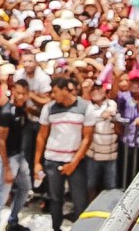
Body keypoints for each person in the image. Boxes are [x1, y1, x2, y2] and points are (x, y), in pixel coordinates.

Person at [34, 76, 95, 231]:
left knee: (79, 199)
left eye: (55, 92)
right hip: (52, 160)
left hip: (75, 161)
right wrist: (37, 162)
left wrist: (73, 163)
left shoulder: (86, 107)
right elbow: (41, 136)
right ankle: (56, 228)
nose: (53, 96)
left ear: (66, 90)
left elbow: (87, 138)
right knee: (55, 199)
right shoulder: (49, 108)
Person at [0, 80, 33, 231]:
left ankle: (13, 220)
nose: (21, 96)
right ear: (13, 91)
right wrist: (6, 167)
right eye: (18, 93)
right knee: (1, 195)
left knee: (25, 187)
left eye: (24, 94)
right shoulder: (7, 113)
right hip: (8, 158)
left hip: (20, 156)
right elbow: (1, 142)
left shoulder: (23, 109)